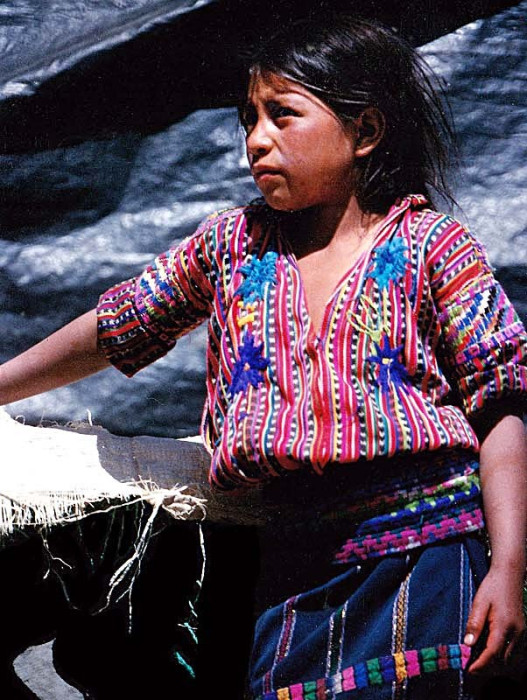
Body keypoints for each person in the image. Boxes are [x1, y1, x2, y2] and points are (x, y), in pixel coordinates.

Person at [0, 13, 525, 699]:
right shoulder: (233, 247)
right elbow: (118, 325)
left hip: (426, 554)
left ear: (364, 131)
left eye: (283, 114)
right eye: (248, 118)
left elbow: (501, 407)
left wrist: (506, 567)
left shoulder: (433, 246)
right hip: (292, 568)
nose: (256, 139)